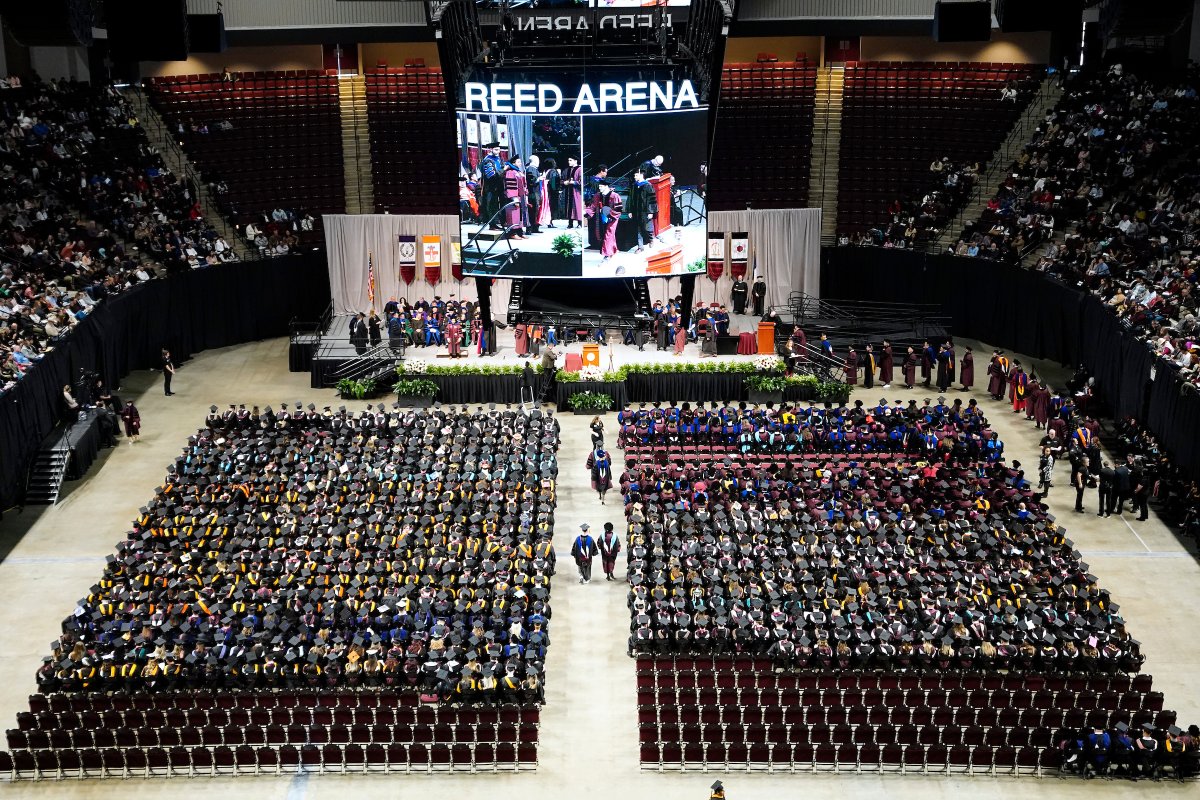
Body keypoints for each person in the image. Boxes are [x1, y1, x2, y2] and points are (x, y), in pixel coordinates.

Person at [588, 180, 622, 259]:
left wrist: (611, 216)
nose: (599, 188)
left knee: (608, 234)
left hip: (612, 218)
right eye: (599, 186)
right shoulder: (598, 195)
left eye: (601, 186)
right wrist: (586, 211)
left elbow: (618, 209)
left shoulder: (614, 195)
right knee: (605, 234)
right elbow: (593, 206)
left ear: (606, 186)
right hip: (601, 218)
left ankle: (606, 255)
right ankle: (613, 250)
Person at [627, 169, 658, 252]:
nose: (634, 177)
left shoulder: (648, 185)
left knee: (647, 228)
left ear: (641, 175)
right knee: (638, 229)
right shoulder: (634, 185)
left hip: (645, 211)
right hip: (636, 211)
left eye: (636, 175)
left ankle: (651, 239)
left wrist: (651, 211)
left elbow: (652, 199)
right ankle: (640, 247)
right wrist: (630, 210)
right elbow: (630, 198)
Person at [479, 142, 505, 226]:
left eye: (499, 150)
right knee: (492, 205)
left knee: (500, 204)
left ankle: (501, 222)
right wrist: (504, 170)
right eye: (496, 150)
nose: (498, 152)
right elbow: (491, 176)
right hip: (490, 187)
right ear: (490, 149)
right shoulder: (487, 160)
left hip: (499, 186)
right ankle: (493, 224)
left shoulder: (499, 159)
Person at [560, 157, 584, 229]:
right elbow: (561, 180)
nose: (569, 162)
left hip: (576, 192)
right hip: (568, 191)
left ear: (575, 161)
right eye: (568, 160)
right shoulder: (567, 170)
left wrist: (574, 182)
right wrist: (564, 182)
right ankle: (570, 223)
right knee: (569, 207)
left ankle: (580, 223)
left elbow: (581, 181)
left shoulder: (580, 169)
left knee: (577, 207)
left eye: (570, 160)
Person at [524, 155, 542, 234]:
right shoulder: (531, 169)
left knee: (535, 211)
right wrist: (539, 178)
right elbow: (531, 182)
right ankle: (530, 228)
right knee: (532, 211)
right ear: (535, 161)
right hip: (533, 193)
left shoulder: (533, 169)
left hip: (535, 192)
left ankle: (534, 227)